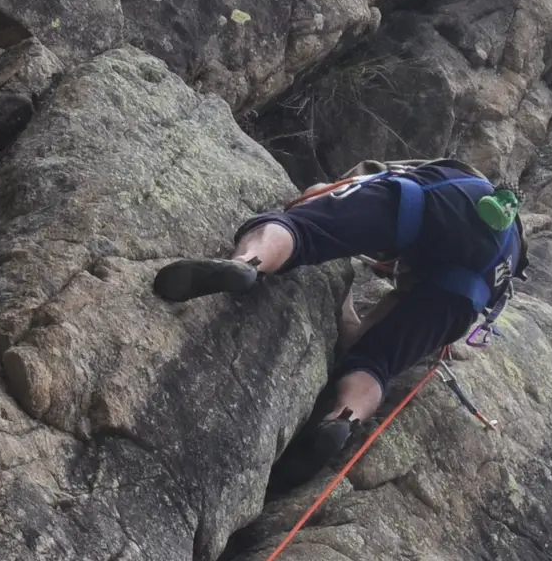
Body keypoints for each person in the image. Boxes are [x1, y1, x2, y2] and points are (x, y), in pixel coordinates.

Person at [151, 158, 526, 488]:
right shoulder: (507, 258)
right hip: (472, 287)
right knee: (376, 362)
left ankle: (249, 263)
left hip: (426, 204)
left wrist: (318, 207)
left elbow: (354, 185)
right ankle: (345, 416)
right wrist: (348, 307)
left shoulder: (450, 175)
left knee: (303, 232)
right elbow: (393, 310)